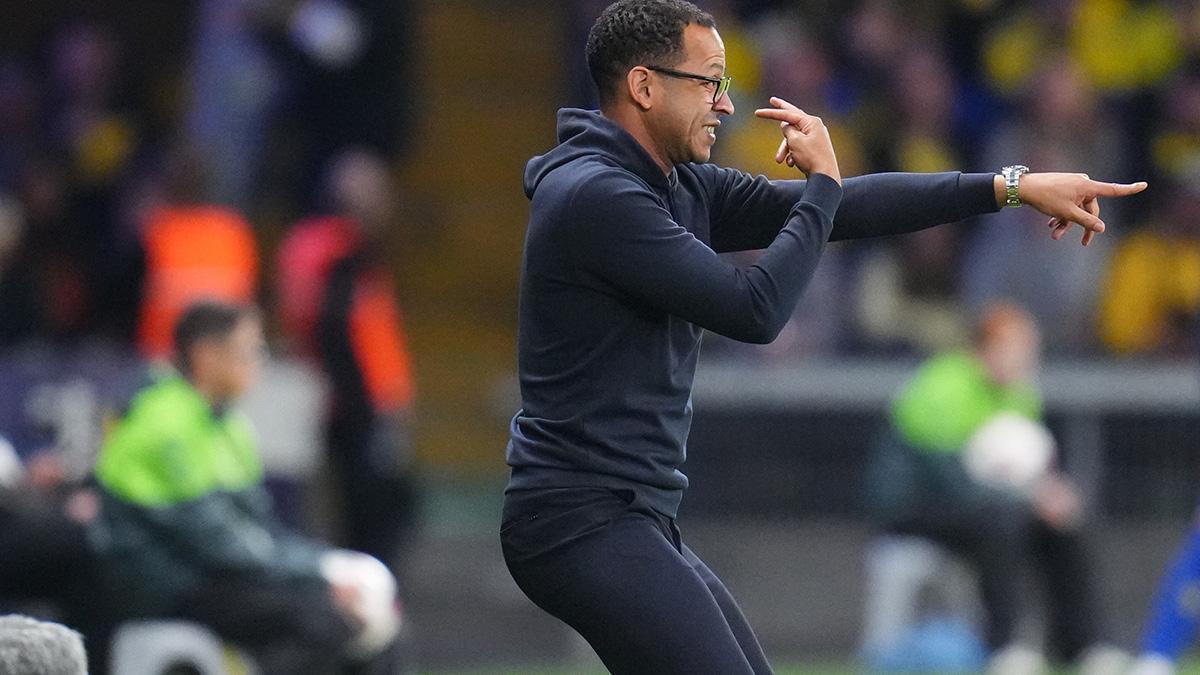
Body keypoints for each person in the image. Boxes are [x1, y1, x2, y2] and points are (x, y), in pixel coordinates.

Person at [499, 1, 1147, 672]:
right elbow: (755, 308)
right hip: (580, 520)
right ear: (643, 86)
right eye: (710, 82)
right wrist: (822, 186)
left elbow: (844, 209)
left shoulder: (669, 185)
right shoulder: (599, 196)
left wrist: (1010, 186)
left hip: (629, 516)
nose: (725, 104)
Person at [90, 301, 406, 674]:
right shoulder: (165, 424)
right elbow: (216, 541)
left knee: (375, 617)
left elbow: (257, 528)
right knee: (325, 625)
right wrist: (322, 572)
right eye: (250, 348)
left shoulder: (226, 422)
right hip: (164, 581)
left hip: (212, 570)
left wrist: (328, 569)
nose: (260, 360)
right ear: (207, 355)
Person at [863, 303, 1119, 672]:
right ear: (988, 347)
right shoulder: (944, 383)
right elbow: (948, 479)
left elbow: (1024, 470)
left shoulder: (1019, 394)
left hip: (989, 505)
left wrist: (1050, 493)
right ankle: (1006, 645)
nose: (1027, 359)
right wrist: (1030, 497)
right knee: (1002, 522)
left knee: (1065, 524)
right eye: (1018, 348)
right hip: (915, 505)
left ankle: (1084, 646)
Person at [276, 149, 419, 572]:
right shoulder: (336, 253)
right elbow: (332, 331)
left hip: (351, 401)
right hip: (349, 405)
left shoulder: (330, 247)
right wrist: (370, 405)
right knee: (365, 515)